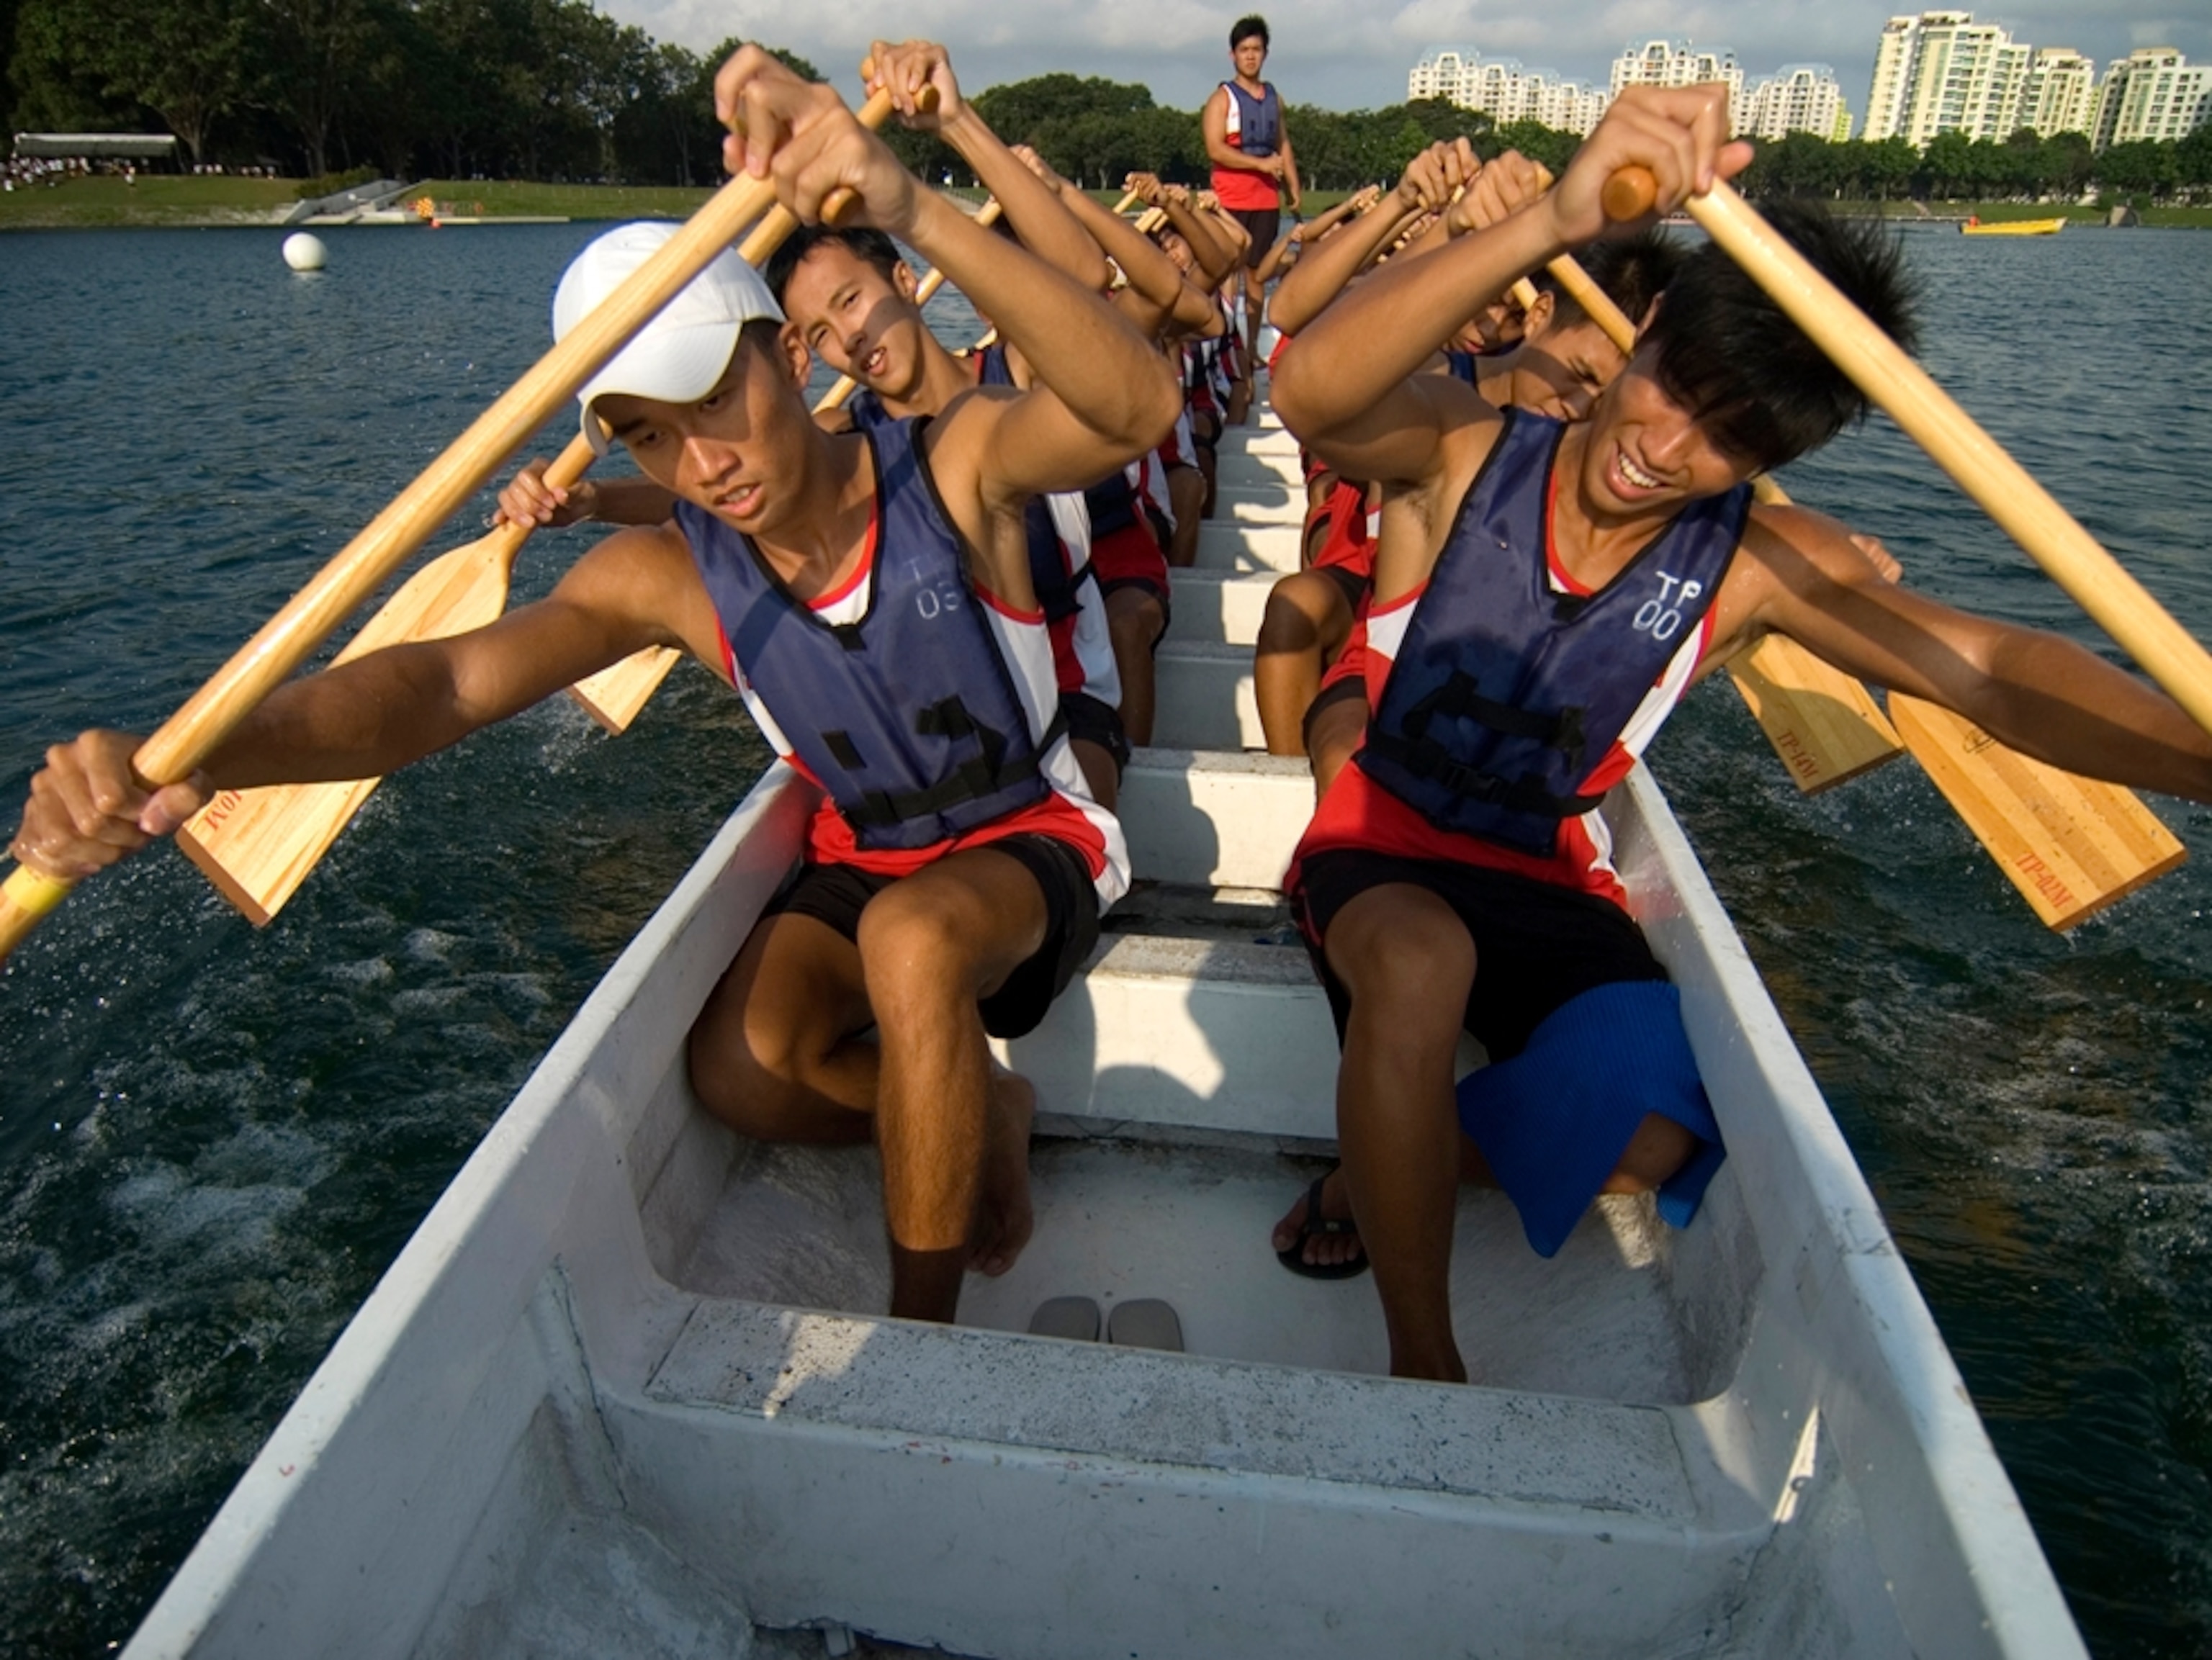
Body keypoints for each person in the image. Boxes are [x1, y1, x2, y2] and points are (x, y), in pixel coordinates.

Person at [10, 49, 1182, 1330]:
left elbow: (1134, 405)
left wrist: (907, 202)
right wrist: (195, 755)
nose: (703, 460)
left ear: (792, 356)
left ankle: (919, 1342)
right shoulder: (666, 575)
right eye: (648, 434)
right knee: (739, 1068)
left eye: (715, 396)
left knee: (912, 945)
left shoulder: (951, 464)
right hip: (875, 851)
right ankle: (979, 1109)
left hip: (1032, 831)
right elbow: (443, 683)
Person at [1262, 86, 2212, 1382]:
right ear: (1643, 328)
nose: (1665, 451)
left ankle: (1374, 1160)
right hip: (1383, 840)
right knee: (1422, 964)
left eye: (1730, 440)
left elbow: (1990, 670)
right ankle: (1424, 1364)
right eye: (1674, 389)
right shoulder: (1464, 451)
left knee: (1659, 1133)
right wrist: (1549, 219)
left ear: (1772, 458)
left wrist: (2195, 755)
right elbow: (1309, 386)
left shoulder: (1749, 567)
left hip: (1545, 874)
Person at [1203, 14, 1298, 405]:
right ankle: (1224, 351)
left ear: (1265, 54)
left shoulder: (1274, 98)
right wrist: (1260, 165)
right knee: (1226, 275)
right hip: (1230, 199)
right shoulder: (1222, 99)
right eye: (1244, 50)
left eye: (1256, 50)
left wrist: (1293, 187)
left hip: (1265, 201)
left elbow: (1283, 144)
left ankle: (1252, 349)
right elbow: (1215, 148)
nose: (1250, 56)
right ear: (1233, 55)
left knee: (1257, 277)